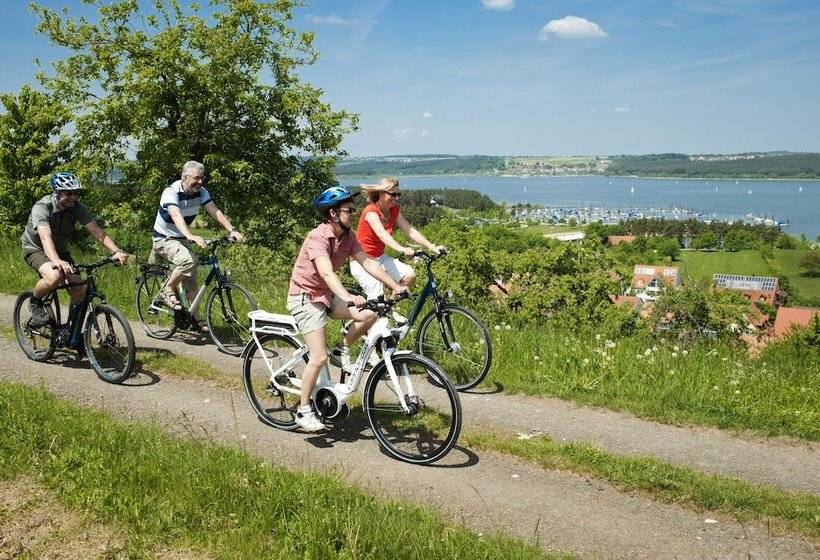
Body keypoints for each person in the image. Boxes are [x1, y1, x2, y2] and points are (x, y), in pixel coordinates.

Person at [287, 186, 408, 432]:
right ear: (333, 213)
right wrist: (348, 297)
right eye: (349, 210)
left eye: (353, 209)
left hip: (327, 295)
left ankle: (342, 348)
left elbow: (368, 263)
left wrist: (395, 286)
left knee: (372, 313)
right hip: (306, 297)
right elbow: (326, 272)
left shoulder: (349, 236)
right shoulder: (318, 237)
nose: (354, 213)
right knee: (318, 357)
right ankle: (304, 411)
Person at [21, 172, 129, 333]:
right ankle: (35, 302)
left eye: (76, 193)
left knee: (79, 286)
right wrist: (56, 260)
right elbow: (45, 236)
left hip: (60, 251)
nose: (73, 197)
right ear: (57, 193)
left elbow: (96, 231)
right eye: (69, 193)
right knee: (54, 276)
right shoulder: (42, 207)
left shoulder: (78, 208)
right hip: (35, 248)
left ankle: (72, 329)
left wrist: (116, 251)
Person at [150, 160, 244, 330]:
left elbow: (214, 210)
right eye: (196, 178)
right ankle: (168, 288)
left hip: (182, 239)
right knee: (189, 261)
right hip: (164, 239)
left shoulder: (201, 192)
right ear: (184, 177)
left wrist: (232, 230)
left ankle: (195, 320)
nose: (200, 182)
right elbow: (176, 216)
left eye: (202, 178)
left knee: (191, 281)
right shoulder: (170, 192)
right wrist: (190, 235)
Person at [350, 177, 445, 321]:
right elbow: (382, 235)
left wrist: (432, 246)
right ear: (381, 194)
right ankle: (361, 335)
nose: (396, 198)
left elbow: (410, 230)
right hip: (362, 261)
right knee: (376, 302)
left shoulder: (394, 209)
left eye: (398, 194)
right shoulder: (370, 212)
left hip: (379, 258)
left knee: (409, 275)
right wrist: (401, 248)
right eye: (392, 194)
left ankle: (390, 308)